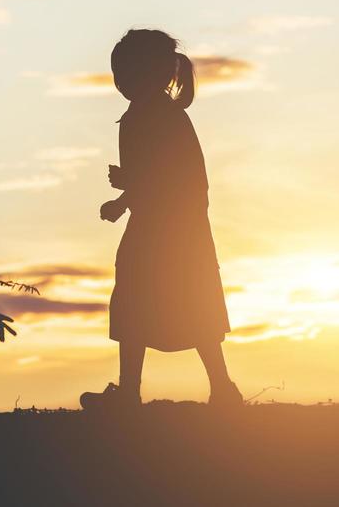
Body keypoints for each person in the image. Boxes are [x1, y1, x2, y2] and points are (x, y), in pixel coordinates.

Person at [81, 29, 240, 410]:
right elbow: (160, 176)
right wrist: (125, 197)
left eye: (126, 73)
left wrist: (127, 187)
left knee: (147, 302)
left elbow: (171, 176)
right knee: (165, 302)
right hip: (174, 227)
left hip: (166, 229)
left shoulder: (154, 117)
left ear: (151, 74)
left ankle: (140, 393)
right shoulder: (155, 116)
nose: (121, 83)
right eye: (118, 75)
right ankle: (218, 388)